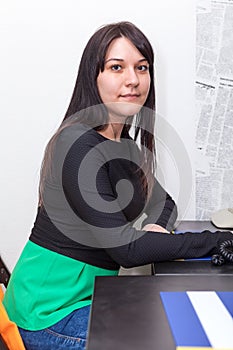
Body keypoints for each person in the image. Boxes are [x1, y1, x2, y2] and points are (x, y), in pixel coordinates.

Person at [3, 21, 233, 350]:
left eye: (142, 67)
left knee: (185, 328)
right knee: (170, 339)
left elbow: (164, 204)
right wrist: (218, 240)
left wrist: (156, 226)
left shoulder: (122, 147)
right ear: (92, 77)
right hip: (47, 314)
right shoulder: (77, 146)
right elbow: (127, 251)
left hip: (86, 300)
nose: (133, 80)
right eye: (116, 67)